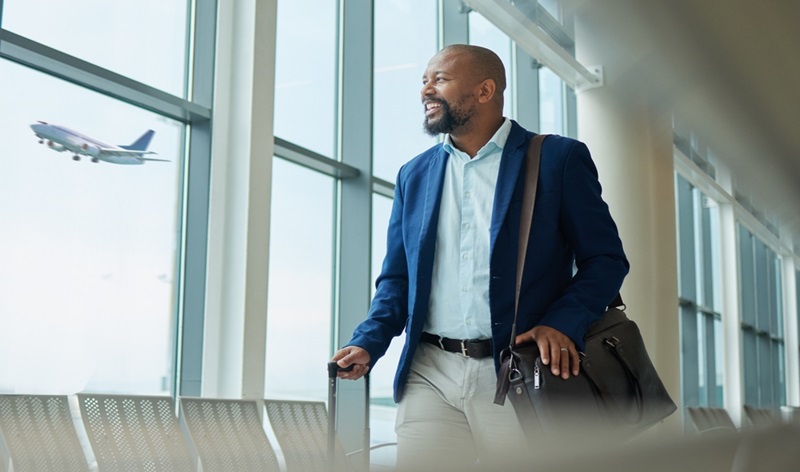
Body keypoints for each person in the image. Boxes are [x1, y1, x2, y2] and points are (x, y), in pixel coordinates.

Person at [331, 44, 629, 470]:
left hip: (516, 373)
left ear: (485, 90)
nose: (425, 91)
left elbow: (605, 259)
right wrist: (368, 340)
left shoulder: (556, 160)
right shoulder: (413, 175)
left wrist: (562, 322)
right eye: (424, 80)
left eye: (440, 79)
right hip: (429, 371)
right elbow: (398, 279)